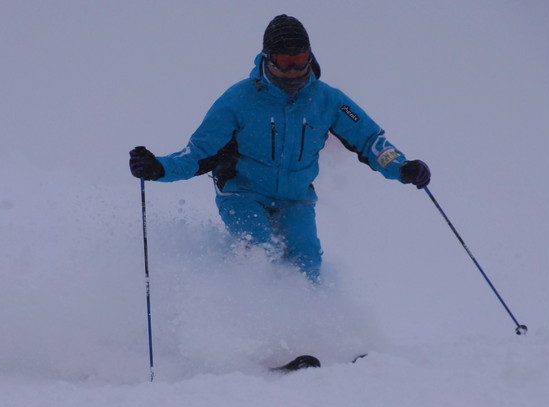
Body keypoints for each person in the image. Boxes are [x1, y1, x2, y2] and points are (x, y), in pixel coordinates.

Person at [130, 15, 430, 283]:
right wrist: (159, 167)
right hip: (243, 194)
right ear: (267, 59)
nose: (295, 70)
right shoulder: (238, 100)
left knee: (307, 259)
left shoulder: (328, 100)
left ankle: (304, 335)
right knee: (257, 252)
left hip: (295, 199)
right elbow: (197, 153)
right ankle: (246, 330)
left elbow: (370, 140)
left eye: (301, 59)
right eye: (285, 62)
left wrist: (401, 167)